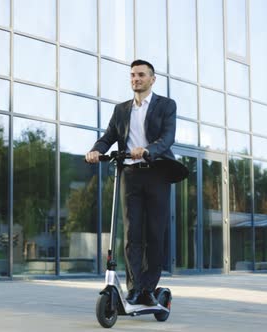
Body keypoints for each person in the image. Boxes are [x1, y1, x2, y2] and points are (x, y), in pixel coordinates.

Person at [85, 59, 177, 306]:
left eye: (141, 75)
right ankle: (135, 288)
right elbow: (109, 137)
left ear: (152, 79)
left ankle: (149, 287)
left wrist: (148, 150)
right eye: (133, 75)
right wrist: (96, 150)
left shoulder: (166, 105)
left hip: (157, 173)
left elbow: (168, 137)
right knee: (132, 234)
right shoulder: (122, 109)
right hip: (130, 175)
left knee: (155, 234)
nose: (136, 79)